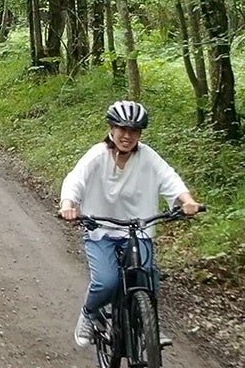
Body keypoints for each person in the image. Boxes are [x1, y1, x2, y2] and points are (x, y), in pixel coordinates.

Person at [59, 100, 200, 348]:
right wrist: (68, 205)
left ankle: (150, 325)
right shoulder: (97, 155)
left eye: (134, 130)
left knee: (146, 275)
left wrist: (187, 201)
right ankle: (89, 314)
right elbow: (75, 180)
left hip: (138, 229)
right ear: (111, 129)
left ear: (140, 134)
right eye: (122, 129)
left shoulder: (147, 157)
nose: (127, 135)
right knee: (107, 281)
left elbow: (170, 178)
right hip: (100, 230)